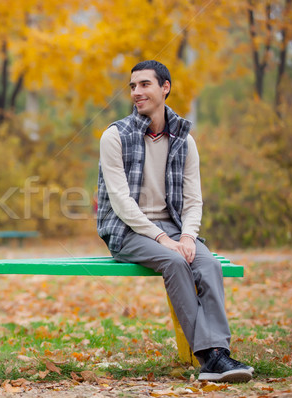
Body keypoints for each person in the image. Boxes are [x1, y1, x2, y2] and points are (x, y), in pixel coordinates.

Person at [96, 60, 253, 382]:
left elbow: (194, 199)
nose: (136, 92)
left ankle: (218, 356)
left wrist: (187, 237)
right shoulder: (114, 136)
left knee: (208, 265)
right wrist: (163, 239)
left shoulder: (185, 139)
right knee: (175, 264)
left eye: (144, 85)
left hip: (175, 228)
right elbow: (121, 201)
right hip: (127, 230)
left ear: (165, 87)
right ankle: (211, 357)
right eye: (133, 86)